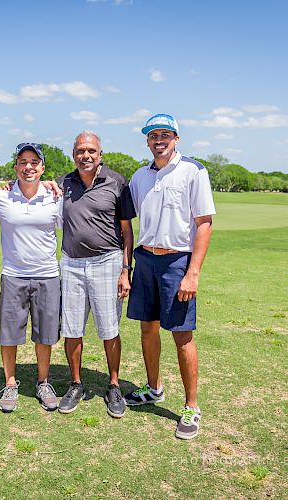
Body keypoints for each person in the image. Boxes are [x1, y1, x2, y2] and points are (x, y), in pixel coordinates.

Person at [125, 114, 215, 440]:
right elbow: (124, 217)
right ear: (147, 141)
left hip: (177, 262)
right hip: (145, 259)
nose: (158, 140)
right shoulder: (139, 176)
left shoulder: (193, 170)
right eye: (152, 135)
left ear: (176, 137)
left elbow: (203, 223)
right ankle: (153, 388)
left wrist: (193, 273)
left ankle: (191, 406)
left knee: (182, 335)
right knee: (147, 328)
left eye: (165, 134)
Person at [57, 131, 136, 418]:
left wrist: (126, 270)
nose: (85, 155)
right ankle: (76, 383)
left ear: (100, 153)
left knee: (109, 329)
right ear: (73, 154)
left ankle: (113, 384)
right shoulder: (63, 183)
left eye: (91, 150)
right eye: (80, 150)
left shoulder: (116, 182)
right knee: (72, 328)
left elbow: (127, 231)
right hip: (72, 264)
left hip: (108, 262)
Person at [0, 143, 62, 413]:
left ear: (42, 167)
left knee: (45, 334)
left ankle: (43, 382)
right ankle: (10, 383)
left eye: (34, 162)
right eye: (22, 162)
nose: (28, 167)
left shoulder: (55, 198)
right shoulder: (1, 198)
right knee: (9, 334)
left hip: (47, 276)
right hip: (14, 275)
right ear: (16, 167)